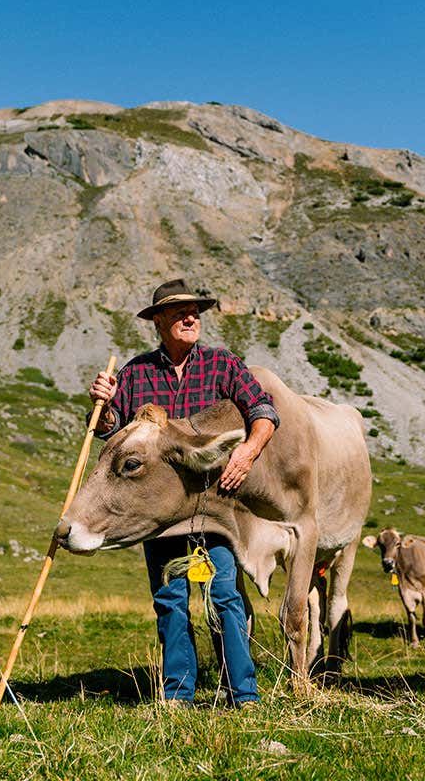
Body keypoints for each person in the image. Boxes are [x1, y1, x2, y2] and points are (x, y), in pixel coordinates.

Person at [88, 278, 279, 707]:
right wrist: (102, 406)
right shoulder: (134, 373)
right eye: (178, 313)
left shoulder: (223, 365)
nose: (190, 318)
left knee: (225, 596)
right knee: (171, 600)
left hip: (213, 508)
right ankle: (177, 696)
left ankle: (242, 694)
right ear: (158, 321)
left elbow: (264, 411)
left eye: (194, 312)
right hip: (158, 514)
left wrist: (247, 452)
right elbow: (111, 434)